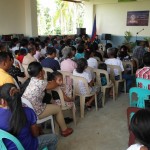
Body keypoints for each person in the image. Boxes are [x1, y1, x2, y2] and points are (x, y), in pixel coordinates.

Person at [0, 83, 58, 150]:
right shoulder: (28, 112)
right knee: (54, 138)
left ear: (2, 101)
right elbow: (35, 134)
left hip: (5, 147)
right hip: (28, 146)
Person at [22, 62, 73, 137]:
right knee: (58, 108)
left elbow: (46, 83)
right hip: (35, 111)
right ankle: (64, 130)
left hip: (27, 109)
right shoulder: (41, 83)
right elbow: (55, 84)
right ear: (40, 73)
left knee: (50, 102)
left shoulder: (32, 79)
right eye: (42, 70)